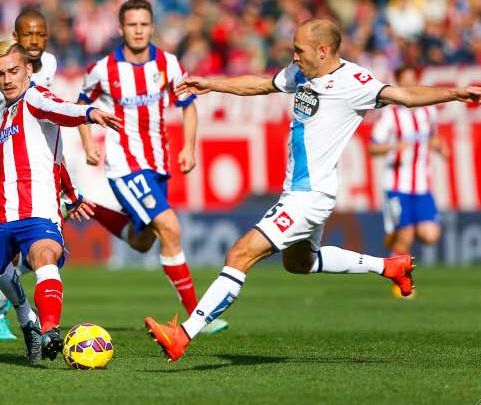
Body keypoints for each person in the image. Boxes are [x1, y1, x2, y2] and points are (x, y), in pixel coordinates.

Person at [144, 18, 481, 361]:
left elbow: (404, 95)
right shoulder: (303, 73)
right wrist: (213, 85)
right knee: (300, 263)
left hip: (310, 196)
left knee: (239, 254)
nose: (293, 56)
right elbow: (261, 85)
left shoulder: (354, 82)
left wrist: (454, 93)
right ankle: (389, 267)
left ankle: (182, 335)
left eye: (299, 50)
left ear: (323, 51)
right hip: (298, 192)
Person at [0, 40, 122, 363]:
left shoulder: (35, 97)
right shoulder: (6, 116)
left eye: (13, 71)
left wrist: (89, 113)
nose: (6, 79)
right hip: (1, 216)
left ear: (29, 70)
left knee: (44, 254)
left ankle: (49, 330)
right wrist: (72, 194)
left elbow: (61, 109)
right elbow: (52, 159)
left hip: (38, 214)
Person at [77, 0, 227, 334]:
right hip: (124, 165)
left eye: (144, 24)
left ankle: (90, 207)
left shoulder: (168, 63)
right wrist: (88, 143)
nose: (139, 30)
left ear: (152, 27)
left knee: (143, 240)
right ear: (121, 29)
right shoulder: (103, 70)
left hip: (158, 163)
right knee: (170, 227)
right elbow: (80, 107)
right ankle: (198, 317)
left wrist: (189, 146)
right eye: (132, 25)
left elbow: (188, 104)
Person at [0, 8, 56, 342]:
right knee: (8, 246)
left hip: (31, 170)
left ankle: (6, 304)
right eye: (27, 34)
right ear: (15, 37)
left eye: (40, 34)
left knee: (45, 248)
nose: (34, 40)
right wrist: (7, 146)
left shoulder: (51, 67)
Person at [368, 65, 448, 297]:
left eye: (414, 80)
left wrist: (439, 147)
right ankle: (401, 282)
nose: (411, 85)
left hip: (422, 185)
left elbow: (432, 137)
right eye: (407, 81)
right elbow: (373, 147)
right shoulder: (391, 115)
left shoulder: (428, 112)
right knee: (407, 237)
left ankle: (391, 240)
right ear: (399, 84)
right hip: (397, 185)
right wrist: (393, 146)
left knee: (430, 235)